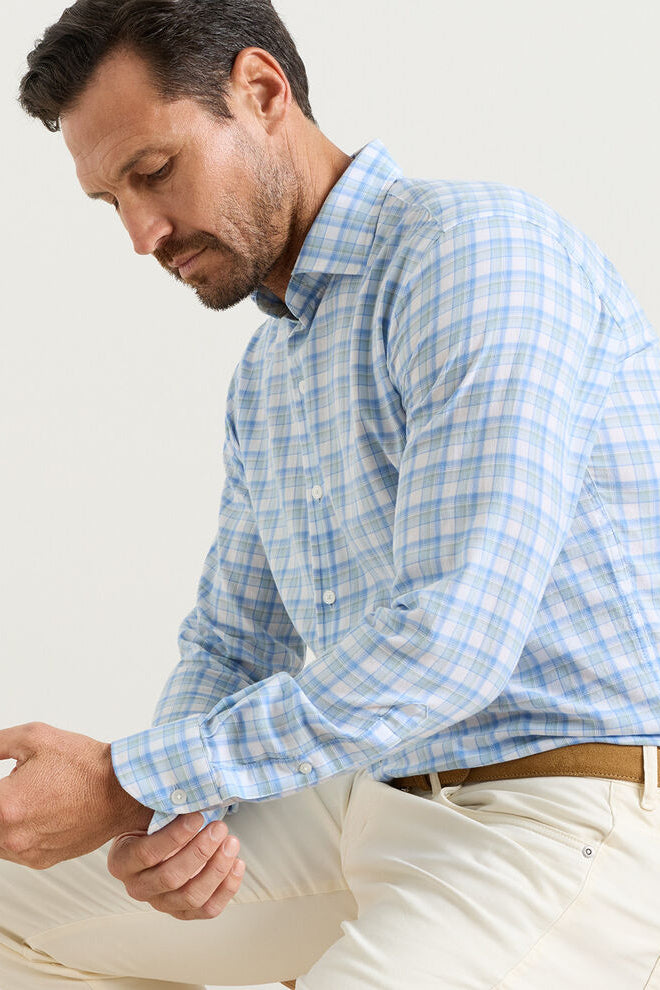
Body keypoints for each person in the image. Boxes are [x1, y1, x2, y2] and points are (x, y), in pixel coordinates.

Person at [3, 0, 660, 986]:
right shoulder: (272, 371)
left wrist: (131, 778)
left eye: (153, 173)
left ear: (262, 92)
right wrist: (182, 818)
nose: (141, 235)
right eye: (112, 204)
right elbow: (235, 639)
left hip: (564, 811)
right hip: (375, 803)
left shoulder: (475, 255)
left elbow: (451, 638)